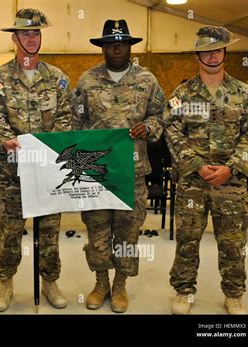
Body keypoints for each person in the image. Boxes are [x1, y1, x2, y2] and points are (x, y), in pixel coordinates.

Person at [163, 26, 248, 315]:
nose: (212, 55)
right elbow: (172, 129)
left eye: (217, 49)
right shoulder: (182, 94)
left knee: (232, 243)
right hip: (193, 180)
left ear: (225, 53)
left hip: (230, 183)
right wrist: (196, 164)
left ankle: (233, 293)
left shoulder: (244, 94)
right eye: (206, 50)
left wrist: (232, 168)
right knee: (187, 239)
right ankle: (184, 291)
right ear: (197, 54)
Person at [72, 19, 165, 313]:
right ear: (103, 48)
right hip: (97, 172)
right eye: (110, 43)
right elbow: (75, 122)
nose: (116, 48)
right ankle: (101, 282)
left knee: (127, 233)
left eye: (121, 43)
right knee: (97, 233)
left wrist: (148, 128)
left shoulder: (147, 80)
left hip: (132, 172)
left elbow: (161, 117)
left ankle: (121, 284)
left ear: (129, 47)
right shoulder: (87, 81)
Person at [0, 8, 72, 312]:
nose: (32, 38)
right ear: (15, 38)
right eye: (25, 33)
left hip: (49, 173)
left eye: (36, 33)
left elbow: (67, 118)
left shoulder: (57, 78)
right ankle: (5, 281)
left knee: (49, 233)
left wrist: (47, 149)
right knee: (10, 233)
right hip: (13, 174)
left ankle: (50, 281)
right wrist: (9, 142)